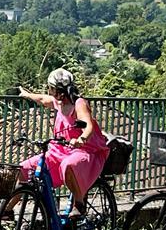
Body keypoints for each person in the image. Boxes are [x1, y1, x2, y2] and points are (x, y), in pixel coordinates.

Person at [15, 68, 109, 214]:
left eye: (51, 88)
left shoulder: (79, 103)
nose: (49, 90)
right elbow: (42, 99)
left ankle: (79, 203)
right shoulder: (58, 102)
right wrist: (27, 94)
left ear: (57, 90)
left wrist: (81, 139)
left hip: (84, 151)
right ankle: (6, 211)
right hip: (59, 151)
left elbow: (88, 125)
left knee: (68, 165)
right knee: (23, 168)